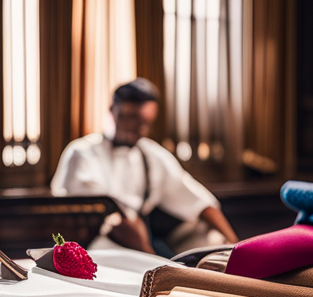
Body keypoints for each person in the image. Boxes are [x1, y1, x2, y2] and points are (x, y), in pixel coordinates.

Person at [50, 77, 239, 257]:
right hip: (97, 244)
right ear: (112, 110)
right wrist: (151, 257)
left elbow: (199, 202)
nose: (140, 129)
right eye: (131, 118)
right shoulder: (81, 153)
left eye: (145, 122)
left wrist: (236, 246)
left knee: (209, 239)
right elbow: (107, 219)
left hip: (144, 239)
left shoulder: (152, 154)